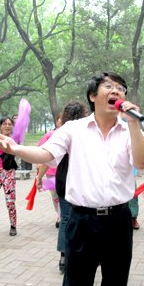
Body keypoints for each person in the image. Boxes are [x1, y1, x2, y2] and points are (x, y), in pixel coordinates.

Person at [0, 72, 144, 286]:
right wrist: (16, 149)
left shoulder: (128, 131)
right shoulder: (74, 129)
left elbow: (142, 163)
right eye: (109, 86)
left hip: (119, 222)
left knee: (115, 285)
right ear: (93, 96)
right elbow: (45, 153)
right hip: (82, 220)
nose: (116, 91)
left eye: (121, 88)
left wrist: (133, 124)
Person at [51, 101, 88, 273]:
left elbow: (46, 156)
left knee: (66, 218)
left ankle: (64, 256)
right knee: (83, 219)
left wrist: (40, 175)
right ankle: (81, 254)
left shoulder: (61, 132)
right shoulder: (86, 133)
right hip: (79, 180)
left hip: (63, 179)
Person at [36, 114, 63, 228]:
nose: (62, 121)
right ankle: (59, 214)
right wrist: (39, 169)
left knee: (64, 196)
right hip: (51, 172)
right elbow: (41, 151)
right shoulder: (50, 135)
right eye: (60, 118)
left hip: (65, 172)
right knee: (55, 197)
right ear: (57, 121)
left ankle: (61, 217)